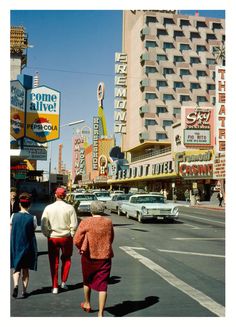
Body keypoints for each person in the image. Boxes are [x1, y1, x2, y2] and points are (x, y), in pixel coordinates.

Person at [73, 201, 114, 317]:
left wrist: (82, 247)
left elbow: (76, 239)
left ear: (91, 210)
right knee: (103, 285)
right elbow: (111, 238)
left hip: (88, 256)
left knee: (87, 280)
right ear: (102, 210)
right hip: (104, 256)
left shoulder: (86, 222)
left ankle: (87, 303)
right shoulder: (108, 222)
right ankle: (101, 313)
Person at [41, 187, 78, 294]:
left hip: (53, 237)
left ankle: (55, 286)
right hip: (66, 237)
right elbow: (74, 224)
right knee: (66, 260)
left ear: (56, 195)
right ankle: (63, 282)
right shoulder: (70, 208)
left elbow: (44, 224)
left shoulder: (48, 208)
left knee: (53, 262)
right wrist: (71, 234)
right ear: (65, 196)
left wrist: (48, 234)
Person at [10, 192, 38, 298]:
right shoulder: (33, 218)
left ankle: (16, 285)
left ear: (19, 205)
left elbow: (11, 230)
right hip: (27, 245)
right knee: (25, 269)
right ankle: (24, 291)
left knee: (16, 268)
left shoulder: (13, 216)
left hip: (16, 245)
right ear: (29, 205)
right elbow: (33, 229)